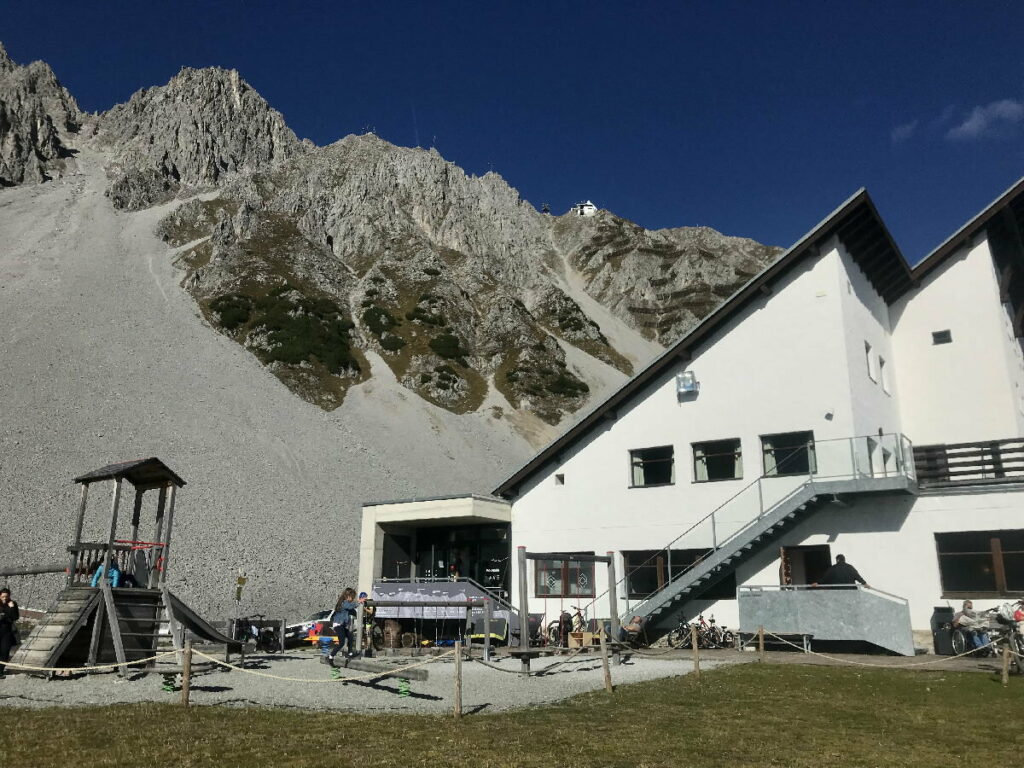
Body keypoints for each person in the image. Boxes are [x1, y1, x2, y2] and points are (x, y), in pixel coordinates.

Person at [325, 588, 359, 665]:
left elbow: (352, 611)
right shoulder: (344, 603)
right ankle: (331, 656)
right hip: (338, 624)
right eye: (352, 597)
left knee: (350, 636)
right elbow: (350, 606)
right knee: (341, 643)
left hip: (341, 625)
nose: (352, 599)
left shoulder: (346, 604)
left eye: (353, 598)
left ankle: (350, 653)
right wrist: (359, 602)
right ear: (347, 596)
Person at [0, 587, 20, 678]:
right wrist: (5, 616)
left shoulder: (12, 604)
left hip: (7, 631)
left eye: (6, 596)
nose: (5, 598)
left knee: (5, 651)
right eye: (3, 596)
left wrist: (11, 608)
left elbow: (15, 617)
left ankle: (0, 671)